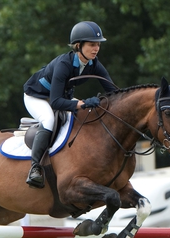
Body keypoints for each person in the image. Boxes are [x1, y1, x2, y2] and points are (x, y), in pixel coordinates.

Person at [23, 21, 117, 188]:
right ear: (78, 45)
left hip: (58, 96)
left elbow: (113, 91)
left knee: (85, 115)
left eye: (98, 45)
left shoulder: (93, 64)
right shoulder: (64, 64)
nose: (96, 48)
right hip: (37, 97)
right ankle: (35, 168)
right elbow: (56, 102)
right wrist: (83, 103)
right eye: (92, 45)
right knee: (49, 120)